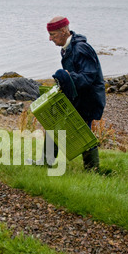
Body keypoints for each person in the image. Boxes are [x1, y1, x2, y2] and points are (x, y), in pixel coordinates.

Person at [46, 16, 106, 170]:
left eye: (52, 34)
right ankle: (46, 161)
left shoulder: (81, 48)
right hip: (78, 95)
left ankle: (93, 169)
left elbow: (89, 77)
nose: (50, 39)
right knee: (56, 124)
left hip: (88, 98)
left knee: (82, 132)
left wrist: (66, 76)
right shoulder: (68, 48)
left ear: (64, 31)